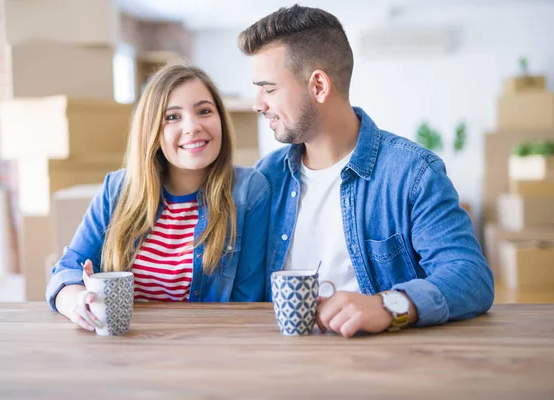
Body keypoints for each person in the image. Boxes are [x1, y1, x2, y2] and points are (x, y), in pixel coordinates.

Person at [239, 5, 494, 337]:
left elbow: (470, 276)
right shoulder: (266, 178)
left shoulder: (413, 174)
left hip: (383, 372)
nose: (258, 104)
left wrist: (389, 305)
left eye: (269, 89)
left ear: (318, 86)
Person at [46, 64, 271, 331]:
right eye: (172, 117)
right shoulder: (117, 190)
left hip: (212, 348)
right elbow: (66, 271)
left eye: (204, 111)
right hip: (125, 348)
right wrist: (77, 302)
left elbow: (247, 302)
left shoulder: (249, 191)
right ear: (151, 130)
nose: (193, 127)